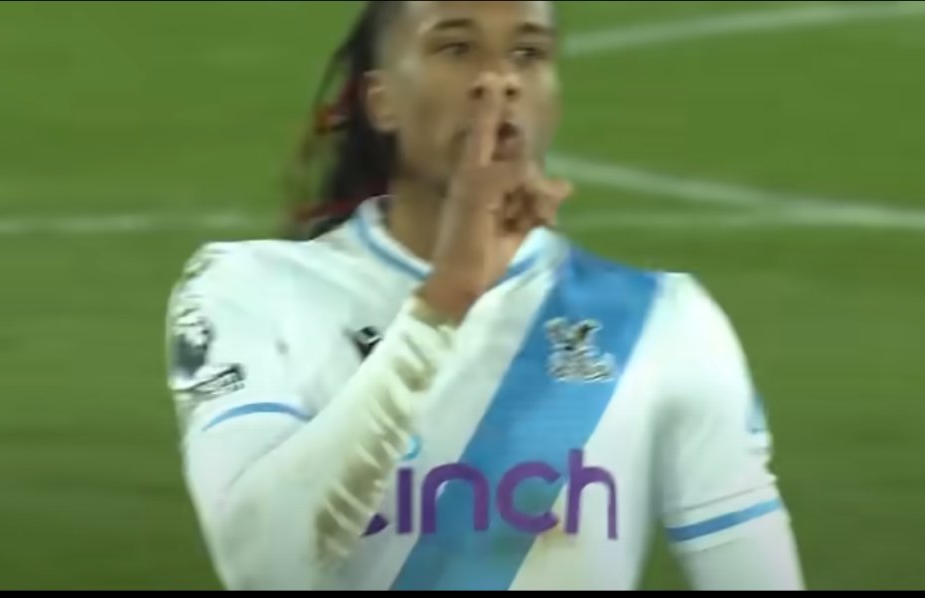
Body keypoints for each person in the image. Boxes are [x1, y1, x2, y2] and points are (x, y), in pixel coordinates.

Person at [164, 0, 805, 591]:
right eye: (455, 48)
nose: (498, 80)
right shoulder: (255, 291)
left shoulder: (661, 322)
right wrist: (445, 300)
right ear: (381, 102)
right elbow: (263, 565)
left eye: (528, 53)